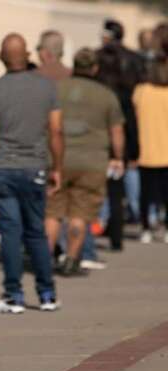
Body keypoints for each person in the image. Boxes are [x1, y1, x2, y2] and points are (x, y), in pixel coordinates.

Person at [0, 33, 63, 314]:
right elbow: (55, 131)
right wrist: (57, 168)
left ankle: (14, 294)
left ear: (2, 58)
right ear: (27, 55)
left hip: (2, 168)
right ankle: (47, 293)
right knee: (36, 232)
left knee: (11, 233)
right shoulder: (46, 88)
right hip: (35, 166)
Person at [44, 48, 124, 276]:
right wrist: (118, 157)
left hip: (58, 158)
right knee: (81, 213)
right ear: (95, 68)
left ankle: (45, 260)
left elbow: (46, 123)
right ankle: (71, 259)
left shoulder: (56, 89)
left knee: (53, 212)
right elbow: (116, 131)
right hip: (92, 161)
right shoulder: (106, 95)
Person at [97, 19, 146, 249]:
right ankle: (120, 225)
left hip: (102, 124)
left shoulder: (99, 58)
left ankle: (104, 221)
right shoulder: (134, 60)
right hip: (126, 122)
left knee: (106, 180)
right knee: (122, 175)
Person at [132, 50, 168, 243]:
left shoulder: (142, 91)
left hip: (145, 150)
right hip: (165, 151)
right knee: (165, 194)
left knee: (145, 194)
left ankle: (145, 227)